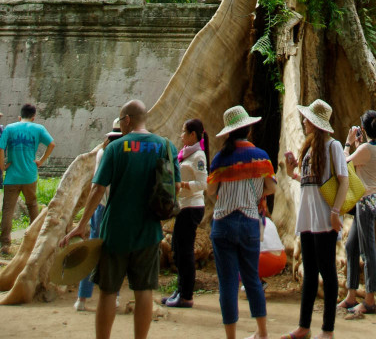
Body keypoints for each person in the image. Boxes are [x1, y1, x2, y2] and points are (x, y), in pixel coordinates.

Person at [61, 99, 180, 339]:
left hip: (115, 231)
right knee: (144, 291)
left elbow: (97, 190)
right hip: (148, 232)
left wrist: (81, 226)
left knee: (107, 291)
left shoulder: (115, 148)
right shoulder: (166, 146)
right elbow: (175, 186)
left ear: (126, 120)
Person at [206, 105, 277, 339]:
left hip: (223, 223)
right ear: (248, 129)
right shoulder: (261, 156)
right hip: (249, 222)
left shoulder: (220, 159)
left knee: (227, 283)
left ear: (229, 132)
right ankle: (262, 333)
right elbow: (271, 187)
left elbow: (210, 191)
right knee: (252, 280)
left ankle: (231, 337)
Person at [282, 98, 349, 339]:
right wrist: (292, 174)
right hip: (308, 218)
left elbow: (344, 181)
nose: (303, 121)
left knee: (328, 273)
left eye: (307, 118)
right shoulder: (309, 148)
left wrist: (335, 213)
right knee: (309, 273)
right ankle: (304, 327)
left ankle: (328, 330)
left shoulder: (334, 147)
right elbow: (310, 182)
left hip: (325, 218)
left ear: (316, 123)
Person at [339, 109, 376, 317]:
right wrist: (360, 145)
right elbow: (366, 160)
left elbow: (343, 163)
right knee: (351, 246)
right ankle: (351, 295)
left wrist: (349, 142)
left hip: (365, 204)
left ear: (363, 129)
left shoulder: (364, 149)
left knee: (368, 252)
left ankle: (369, 301)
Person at [74, 119, 122, 312]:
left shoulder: (103, 152)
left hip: (100, 207)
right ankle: (114, 297)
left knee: (93, 251)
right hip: (117, 209)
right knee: (115, 253)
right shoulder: (124, 153)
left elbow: (97, 185)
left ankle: (82, 299)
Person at [162, 116, 209, 309]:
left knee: (185, 251)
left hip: (192, 207)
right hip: (184, 206)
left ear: (192, 135)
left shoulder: (198, 156)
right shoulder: (186, 154)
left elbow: (203, 184)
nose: (181, 135)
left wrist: (182, 185)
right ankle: (180, 290)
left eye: (184, 132)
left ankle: (186, 295)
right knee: (178, 249)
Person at [0, 102, 55, 255]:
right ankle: (35, 239)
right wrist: (41, 161)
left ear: (19, 117)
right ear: (33, 117)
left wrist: (2, 167)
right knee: (32, 206)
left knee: (8, 209)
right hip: (30, 175)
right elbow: (52, 144)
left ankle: (5, 244)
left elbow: (1, 148)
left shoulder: (9, 128)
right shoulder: (38, 128)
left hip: (12, 176)